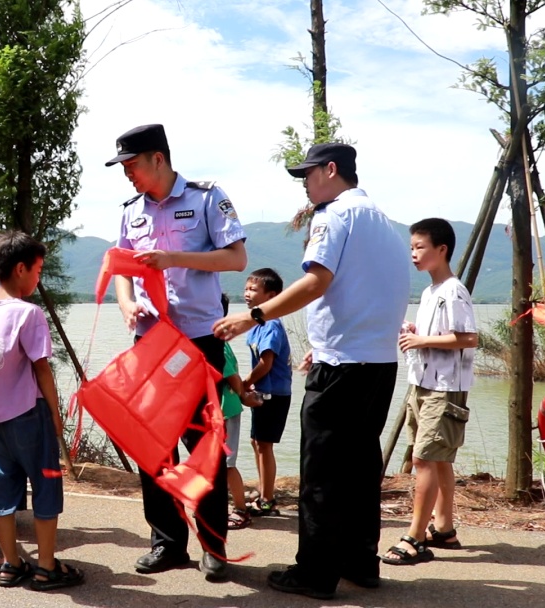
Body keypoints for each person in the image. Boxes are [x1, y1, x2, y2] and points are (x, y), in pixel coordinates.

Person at [214, 142, 411, 599]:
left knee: (321, 471)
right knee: (361, 468)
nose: (304, 184)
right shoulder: (384, 222)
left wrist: (254, 315)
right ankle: (361, 561)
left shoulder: (334, 215)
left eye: (308, 174)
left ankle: (316, 571)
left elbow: (316, 280)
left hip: (341, 365)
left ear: (331, 170)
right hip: (379, 365)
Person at [108, 123, 247, 581]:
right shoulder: (132, 211)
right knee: (154, 446)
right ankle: (168, 543)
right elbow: (122, 265)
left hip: (197, 340)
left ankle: (214, 545)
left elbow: (235, 259)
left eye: (131, 165)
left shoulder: (205, 198)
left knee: (204, 444)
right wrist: (126, 302)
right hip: (150, 341)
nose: (127, 174)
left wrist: (174, 259)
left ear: (158, 159)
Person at [0, 232, 85, 590]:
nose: (38, 278)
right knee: (46, 486)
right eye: (37, 270)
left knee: (1, 491)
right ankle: (46, 566)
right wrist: (56, 413)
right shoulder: (29, 313)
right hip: (29, 414)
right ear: (20, 269)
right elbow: (41, 368)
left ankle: (11, 562)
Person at [382, 218, 477, 565]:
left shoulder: (453, 290)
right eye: (411, 248)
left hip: (445, 388)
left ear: (442, 250)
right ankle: (444, 528)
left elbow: (468, 338)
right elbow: (440, 335)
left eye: (420, 247)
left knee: (423, 458)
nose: (414, 254)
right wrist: (415, 332)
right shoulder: (429, 292)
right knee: (437, 459)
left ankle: (414, 537)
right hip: (423, 384)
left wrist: (420, 339)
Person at [242, 268, 293, 517]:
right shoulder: (257, 324)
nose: (247, 293)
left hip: (274, 394)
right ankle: (264, 492)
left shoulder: (271, 324)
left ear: (271, 295)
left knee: (264, 445)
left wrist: (244, 382)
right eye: (246, 288)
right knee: (257, 442)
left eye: (253, 289)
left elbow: (266, 363)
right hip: (264, 391)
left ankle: (267, 499)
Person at [218, 297, 263, 531]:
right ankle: (214, 506)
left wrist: (244, 395)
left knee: (226, 463)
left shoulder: (217, 343)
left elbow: (232, 376)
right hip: (217, 411)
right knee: (215, 463)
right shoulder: (210, 340)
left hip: (227, 411)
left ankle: (240, 509)